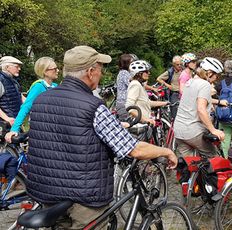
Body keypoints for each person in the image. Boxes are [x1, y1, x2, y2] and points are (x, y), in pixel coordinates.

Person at [26, 46, 177, 230]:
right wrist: (166, 151)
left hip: (47, 191)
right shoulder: (92, 106)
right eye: (100, 68)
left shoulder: (42, 100)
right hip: (83, 197)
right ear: (90, 72)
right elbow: (134, 149)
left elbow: (62, 132)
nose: (102, 73)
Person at [174, 67, 225, 157]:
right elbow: (201, 109)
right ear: (209, 73)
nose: (216, 78)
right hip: (193, 131)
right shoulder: (205, 84)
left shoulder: (190, 82)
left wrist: (219, 102)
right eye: (216, 75)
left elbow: (197, 99)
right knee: (213, 158)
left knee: (188, 164)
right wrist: (213, 130)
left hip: (179, 130)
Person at [5, 57, 59, 142]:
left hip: (54, 128)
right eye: (54, 69)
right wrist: (14, 129)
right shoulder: (38, 87)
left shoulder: (55, 86)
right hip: (41, 129)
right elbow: (26, 107)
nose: (58, 70)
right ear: (45, 71)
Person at [125, 60, 168, 125]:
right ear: (138, 74)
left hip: (144, 124)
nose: (149, 73)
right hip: (139, 125)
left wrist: (164, 103)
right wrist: (146, 120)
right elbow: (129, 107)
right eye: (146, 71)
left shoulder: (140, 85)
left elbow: (147, 102)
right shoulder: (135, 85)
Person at [0, 56, 25, 125]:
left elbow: (20, 96)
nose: (19, 69)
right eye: (17, 67)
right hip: (4, 124)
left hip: (15, 122)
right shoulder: (1, 80)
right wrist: (7, 119)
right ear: (7, 67)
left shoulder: (13, 81)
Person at [115, 53, 138, 119]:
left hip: (124, 103)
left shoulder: (125, 72)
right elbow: (133, 85)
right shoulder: (124, 73)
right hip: (124, 103)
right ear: (126, 63)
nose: (133, 64)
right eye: (131, 62)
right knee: (127, 125)